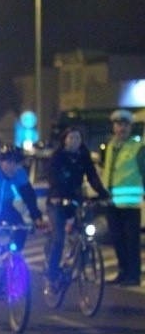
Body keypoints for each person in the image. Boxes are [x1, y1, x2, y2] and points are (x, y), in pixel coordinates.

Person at [0, 145, 47, 297]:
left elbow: (29, 196)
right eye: (8, 162)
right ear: (0, 162)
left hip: (7, 207)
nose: (11, 166)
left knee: (20, 228)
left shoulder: (20, 174)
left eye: (15, 163)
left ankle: (10, 256)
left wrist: (37, 217)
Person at [44, 126, 109, 294]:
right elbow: (53, 177)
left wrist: (102, 193)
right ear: (65, 140)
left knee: (87, 232)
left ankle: (82, 262)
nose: (74, 141)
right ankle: (51, 278)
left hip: (75, 198)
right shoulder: (58, 156)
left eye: (77, 138)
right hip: (57, 201)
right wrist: (57, 194)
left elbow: (92, 175)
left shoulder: (83, 155)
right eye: (71, 138)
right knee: (59, 237)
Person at [101, 109, 145, 287]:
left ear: (130, 127)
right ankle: (122, 272)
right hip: (112, 201)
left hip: (130, 203)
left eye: (125, 125)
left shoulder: (138, 147)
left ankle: (133, 275)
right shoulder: (111, 146)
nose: (121, 129)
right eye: (118, 125)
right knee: (117, 239)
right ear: (114, 127)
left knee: (131, 241)